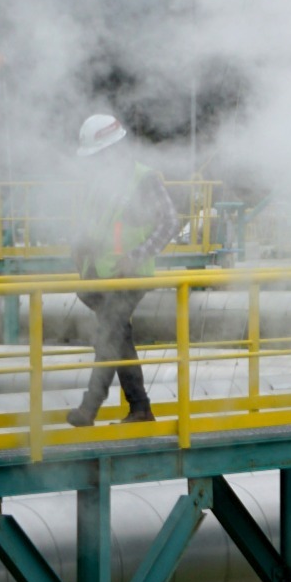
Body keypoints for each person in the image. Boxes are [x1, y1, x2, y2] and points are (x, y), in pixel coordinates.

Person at [65, 114, 181, 427]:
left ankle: (90, 408)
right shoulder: (99, 181)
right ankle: (140, 408)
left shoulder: (143, 179)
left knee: (109, 335)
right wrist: (81, 246)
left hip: (130, 274)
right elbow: (95, 224)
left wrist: (136, 255)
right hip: (101, 274)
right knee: (116, 336)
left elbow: (170, 221)